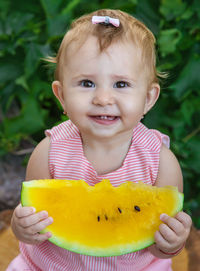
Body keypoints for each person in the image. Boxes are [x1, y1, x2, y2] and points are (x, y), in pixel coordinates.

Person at [7, 9, 192, 271]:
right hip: (51, 266)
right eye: (86, 83)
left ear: (148, 99)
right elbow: (34, 214)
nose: (103, 99)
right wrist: (22, 227)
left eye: (121, 85)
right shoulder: (49, 151)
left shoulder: (161, 162)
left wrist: (171, 241)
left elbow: (157, 243)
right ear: (61, 95)